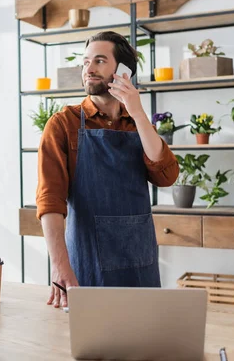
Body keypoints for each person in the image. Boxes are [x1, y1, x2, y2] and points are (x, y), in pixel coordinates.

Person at [35, 31, 179, 309]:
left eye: (99, 61)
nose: (89, 68)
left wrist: (137, 113)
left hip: (140, 260)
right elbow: (50, 202)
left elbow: (166, 176)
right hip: (87, 261)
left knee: (144, 343)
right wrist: (60, 267)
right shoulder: (63, 124)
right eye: (86, 61)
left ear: (123, 72)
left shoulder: (137, 123)